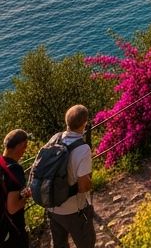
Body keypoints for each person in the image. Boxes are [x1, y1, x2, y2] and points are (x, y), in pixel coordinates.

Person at [44, 105, 94, 248]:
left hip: (52, 206)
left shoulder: (55, 138)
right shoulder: (82, 149)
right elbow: (83, 186)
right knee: (86, 243)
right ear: (84, 123)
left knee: (59, 245)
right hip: (73, 210)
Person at [1, 129, 30, 248]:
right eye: (25, 146)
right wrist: (25, 198)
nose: (25, 150)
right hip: (13, 230)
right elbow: (12, 208)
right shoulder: (14, 169)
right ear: (20, 146)